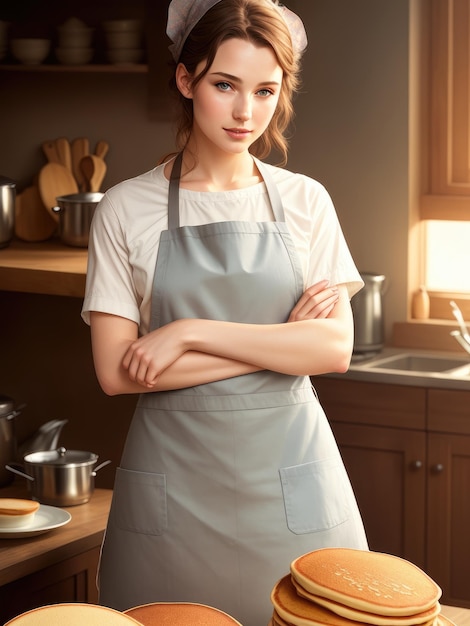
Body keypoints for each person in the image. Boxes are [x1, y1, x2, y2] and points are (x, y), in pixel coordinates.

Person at [81, 1, 369, 624]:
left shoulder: (305, 201)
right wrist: (278, 345)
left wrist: (186, 334)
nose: (246, 113)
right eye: (224, 85)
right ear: (186, 81)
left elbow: (331, 352)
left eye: (266, 90)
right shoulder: (127, 209)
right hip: (174, 488)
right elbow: (116, 372)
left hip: (290, 480)